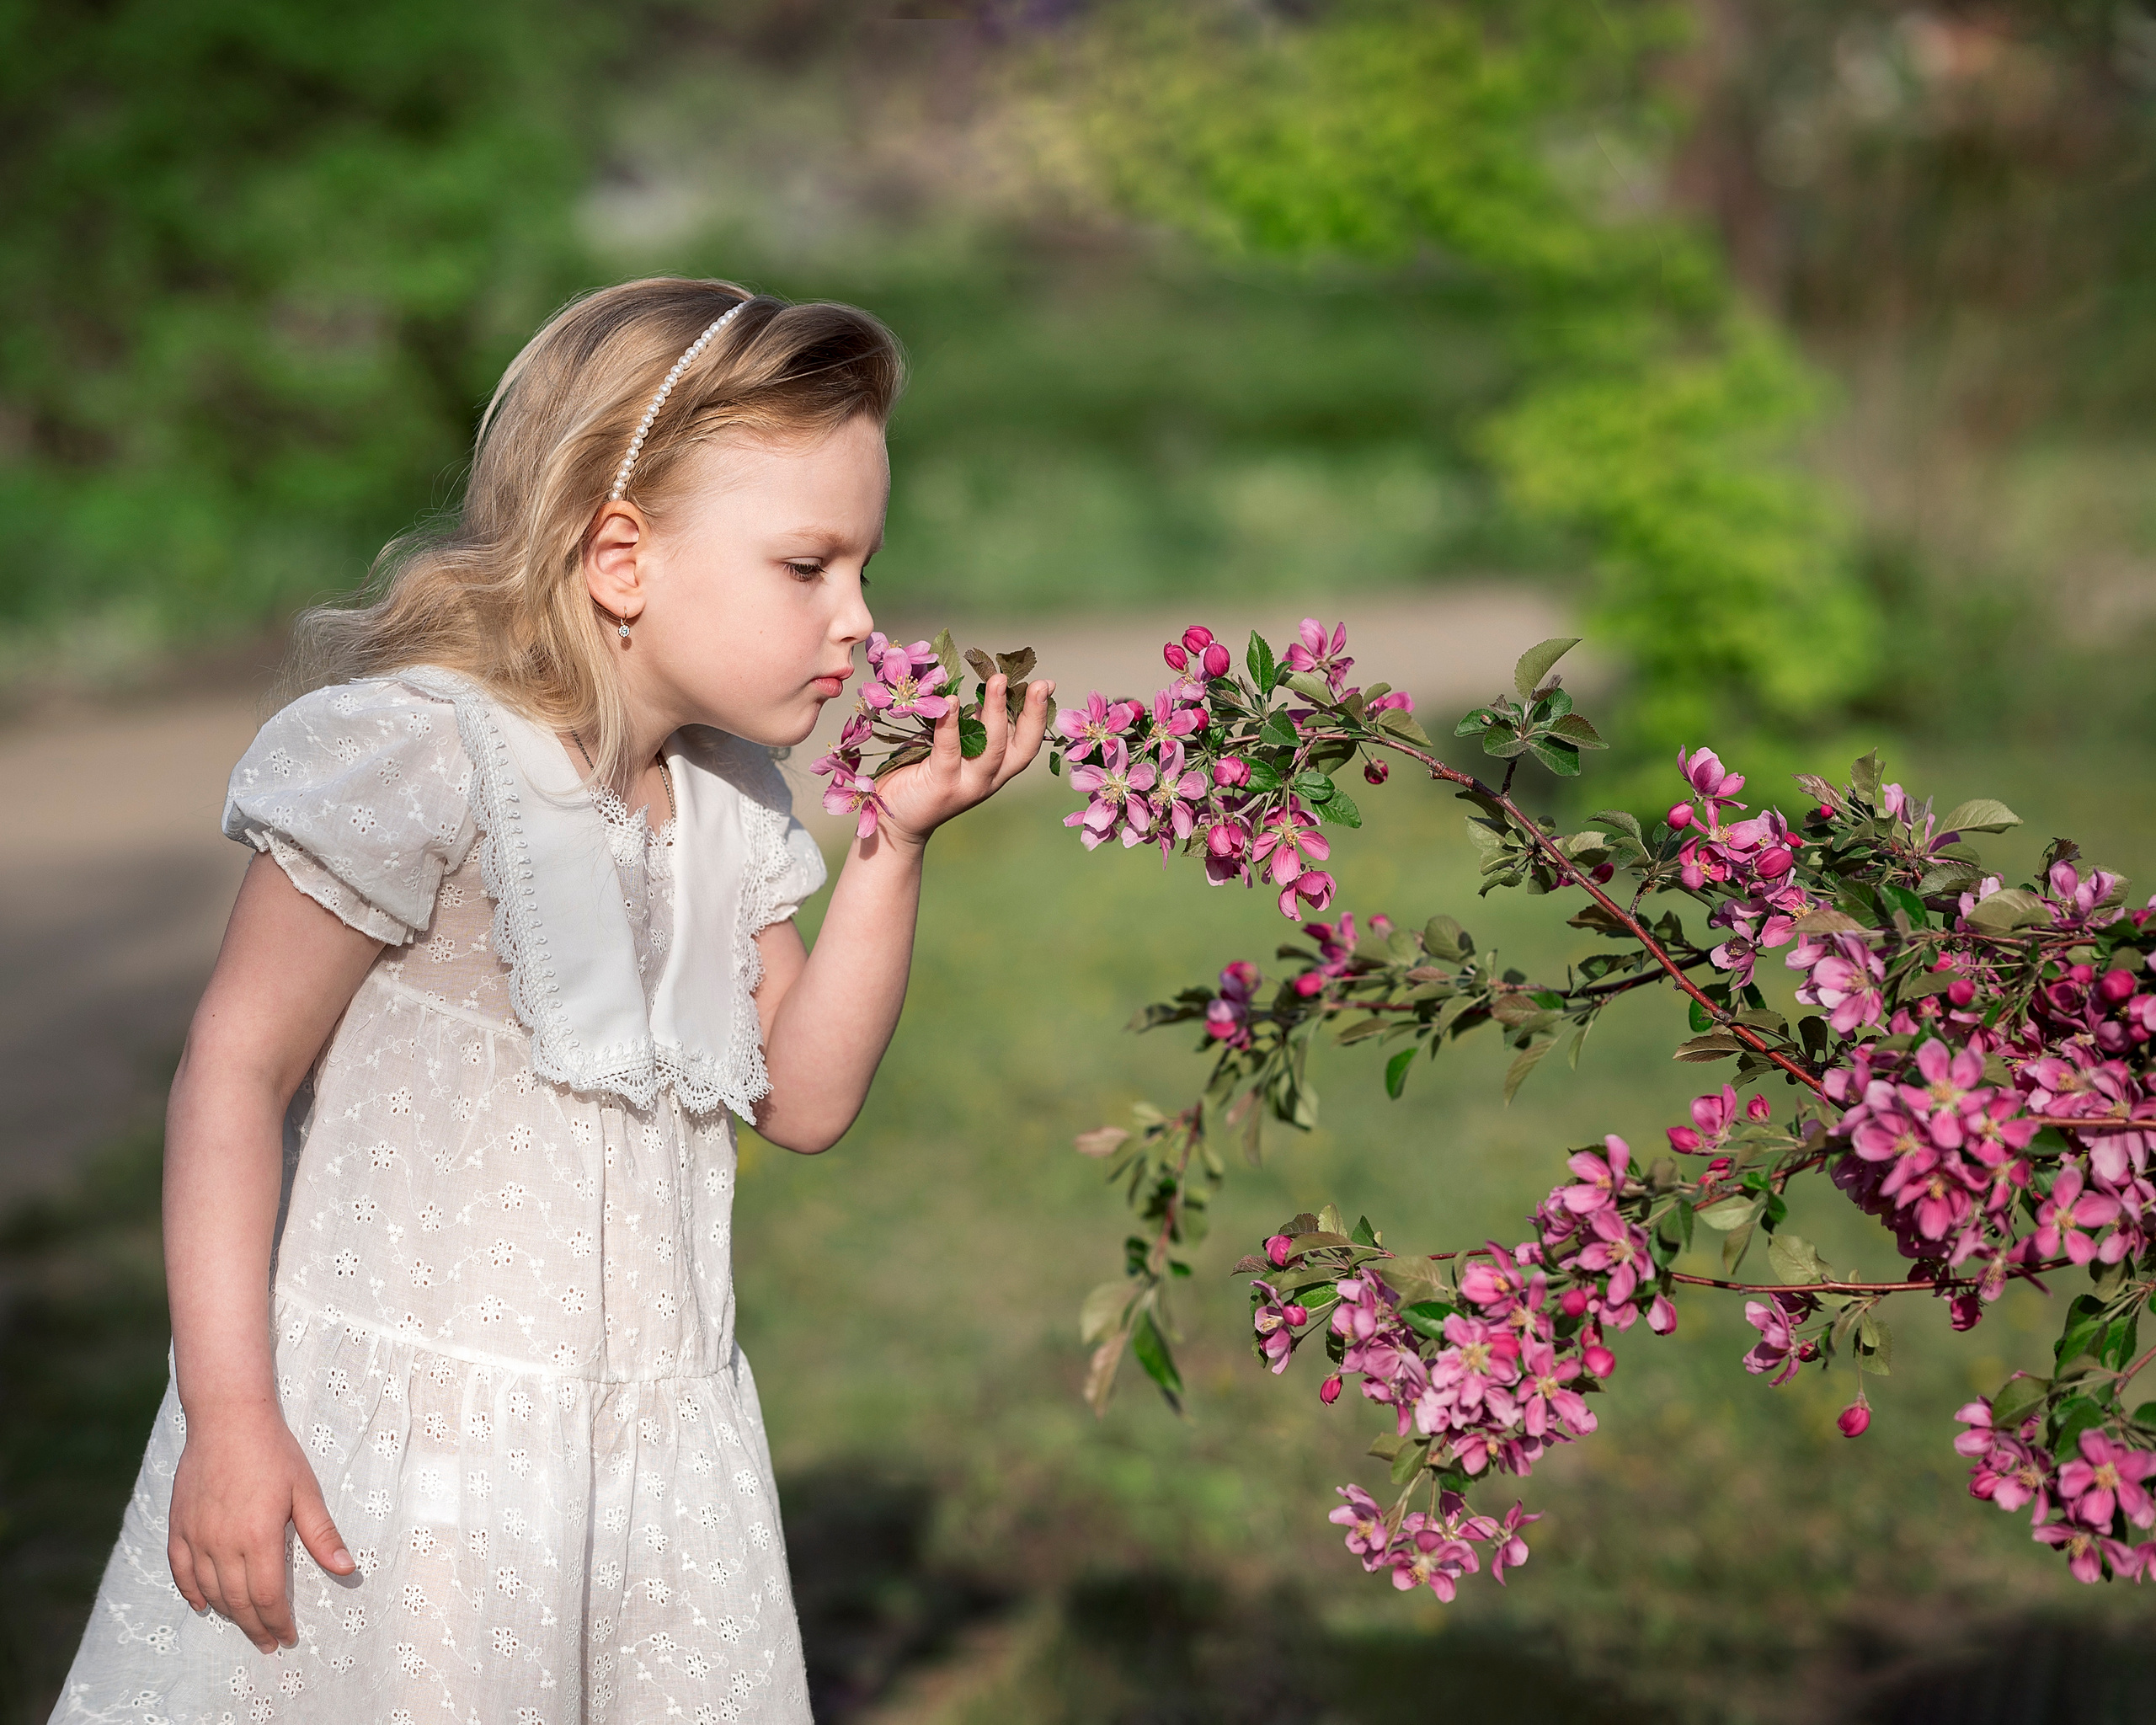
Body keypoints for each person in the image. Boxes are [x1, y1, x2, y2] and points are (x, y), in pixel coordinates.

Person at [53, 277, 1052, 1722]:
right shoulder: (420, 761)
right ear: (621, 557)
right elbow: (234, 1072)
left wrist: (893, 847)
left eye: (864, 571)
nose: (862, 622)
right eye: (808, 568)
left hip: (648, 1480)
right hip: (393, 1473)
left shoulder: (729, 804)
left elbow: (807, 1099)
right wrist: (231, 1414)